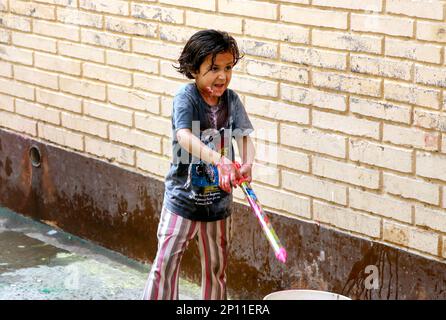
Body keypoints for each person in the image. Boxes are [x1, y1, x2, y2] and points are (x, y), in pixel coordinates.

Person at [142, 29, 256, 300]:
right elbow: (183, 136)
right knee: (165, 265)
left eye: (228, 67)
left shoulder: (232, 100)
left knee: (216, 270)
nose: (222, 76)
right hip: (183, 199)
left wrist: (248, 163)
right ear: (194, 70)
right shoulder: (187, 97)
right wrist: (220, 160)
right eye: (214, 68)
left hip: (218, 205)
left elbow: (244, 136)